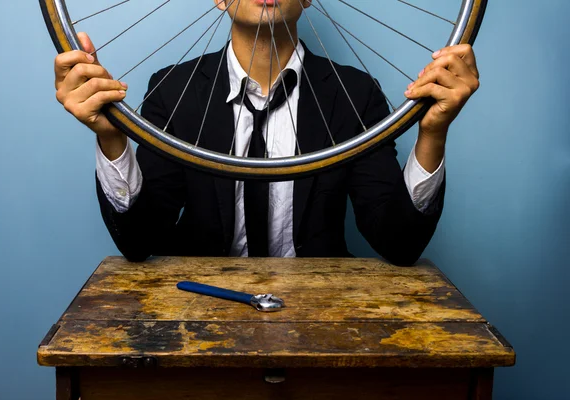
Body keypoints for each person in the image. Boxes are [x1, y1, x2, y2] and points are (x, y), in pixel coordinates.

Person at [52, 0, 480, 265]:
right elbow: (139, 241)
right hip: (200, 314)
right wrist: (112, 138)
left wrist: (433, 132)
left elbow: (399, 242)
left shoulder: (354, 94)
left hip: (324, 319)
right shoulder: (174, 90)